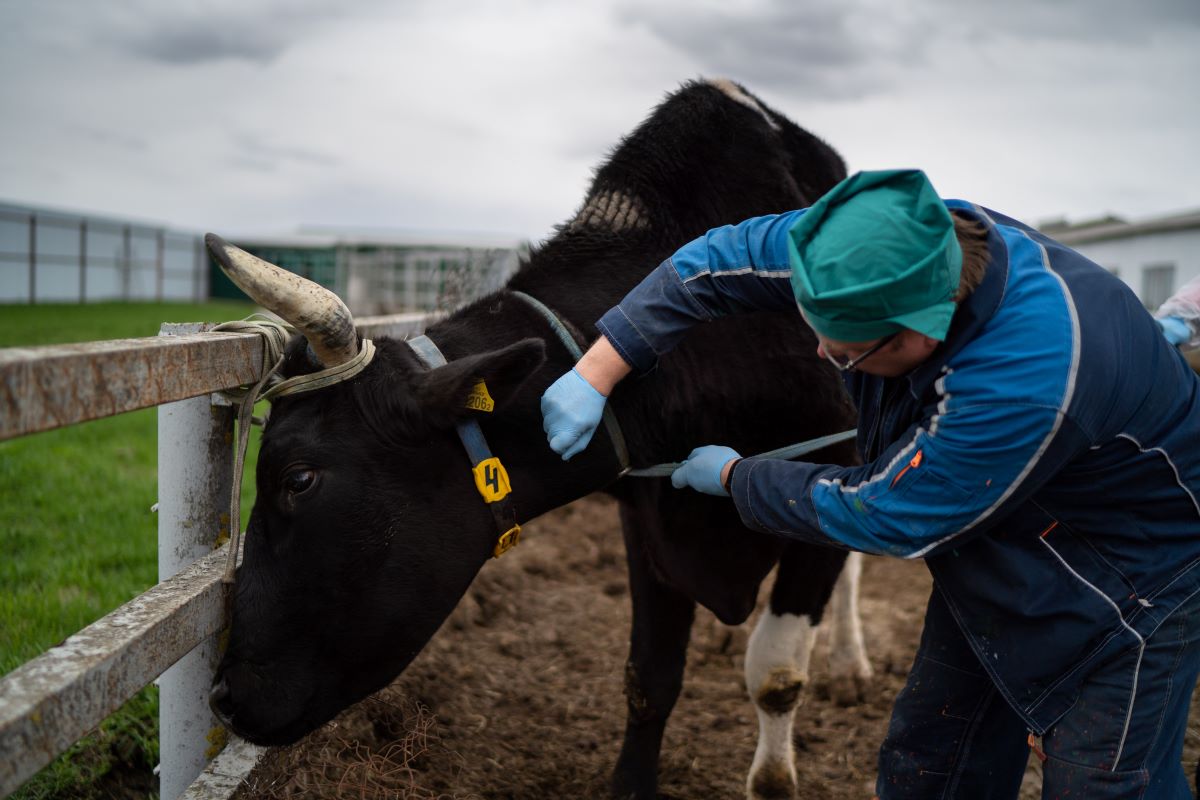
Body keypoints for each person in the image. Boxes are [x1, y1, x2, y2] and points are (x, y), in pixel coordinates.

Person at [539, 169, 1200, 799]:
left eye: (846, 352)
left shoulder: (1018, 387)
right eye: (819, 333)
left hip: (1131, 576)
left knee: (1107, 782)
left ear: (925, 332)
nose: (826, 356)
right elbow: (710, 262)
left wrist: (738, 478)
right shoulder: (867, 246)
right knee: (932, 761)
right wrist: (598, 370)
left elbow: (888, 510)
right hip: (999, 530)